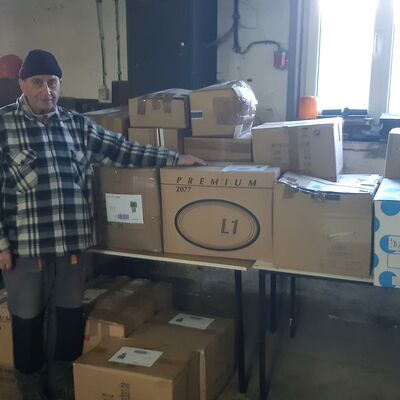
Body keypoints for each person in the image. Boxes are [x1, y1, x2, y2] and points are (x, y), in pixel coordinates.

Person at [0, 49, 205, 400]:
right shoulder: (4, 125)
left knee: (68, 318)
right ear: (22, 84)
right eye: (37, 82)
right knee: (27, 321)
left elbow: (122, 150)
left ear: (60, 84)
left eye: (52, 83)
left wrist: (175, 158)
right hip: (25, 249)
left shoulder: (76, 125)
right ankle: (31, 390)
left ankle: (63, 384)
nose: (46, 91)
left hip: (72, 245)